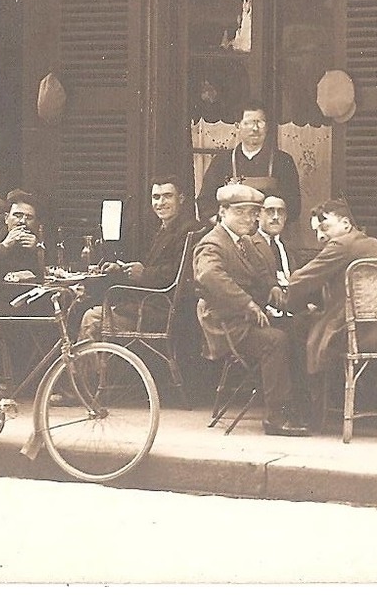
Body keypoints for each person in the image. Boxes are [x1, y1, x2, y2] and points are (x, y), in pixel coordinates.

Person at [193, 183, 308, 436]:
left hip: (249, 320)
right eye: (241, 212)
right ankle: (275, 417)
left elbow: (262, 274)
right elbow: (210, 275)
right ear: (222, 212)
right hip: (227, 323)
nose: (249, 218)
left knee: (300, 327)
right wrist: (246, 302)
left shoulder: (244, 242)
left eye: (253, 212)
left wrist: (274, 291)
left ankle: (301, 406)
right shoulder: (213, 243)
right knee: (276, 341)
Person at [284, 199, 377, 383]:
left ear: (345, 224)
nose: (320, 236)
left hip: (354, 332)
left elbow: (298, 281)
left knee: (297, 325)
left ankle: (313, 404)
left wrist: (287, 292)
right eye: (316, 232)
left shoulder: (341, 245)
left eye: (325, 227)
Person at [80, 175, 203, 343]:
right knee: (89, 305)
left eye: (168, 196)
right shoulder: (163, 228)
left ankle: (85, 370)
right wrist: (121, 269)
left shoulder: (189, 230)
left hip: (162, 310)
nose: (161, 203)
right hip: (152, 304)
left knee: (91, 319)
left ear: (181, 199)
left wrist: (144, 273)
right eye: (156, 197)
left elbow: (180, 274)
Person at [197, 101, 302, 226]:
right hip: (231, 234)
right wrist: (223, 223)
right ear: (238, 126)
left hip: (269, 234)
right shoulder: (222, 161)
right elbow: (205, 202)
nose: (255, 128)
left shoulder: (283, 161)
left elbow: (294, 205)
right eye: (248, 123)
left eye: (260, 122)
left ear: (267, 127)